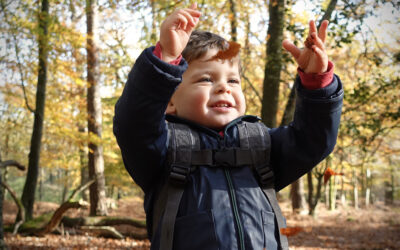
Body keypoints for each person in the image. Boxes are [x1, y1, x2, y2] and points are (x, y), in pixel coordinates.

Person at [113, 3, 343, 250]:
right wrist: (165, 60)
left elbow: (314, 140)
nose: (224, 87)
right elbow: (134, 124)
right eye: (206, 79)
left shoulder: (260, 145)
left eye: (233, 80)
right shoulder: (162, 149)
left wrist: (317, 82)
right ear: (169, 101)